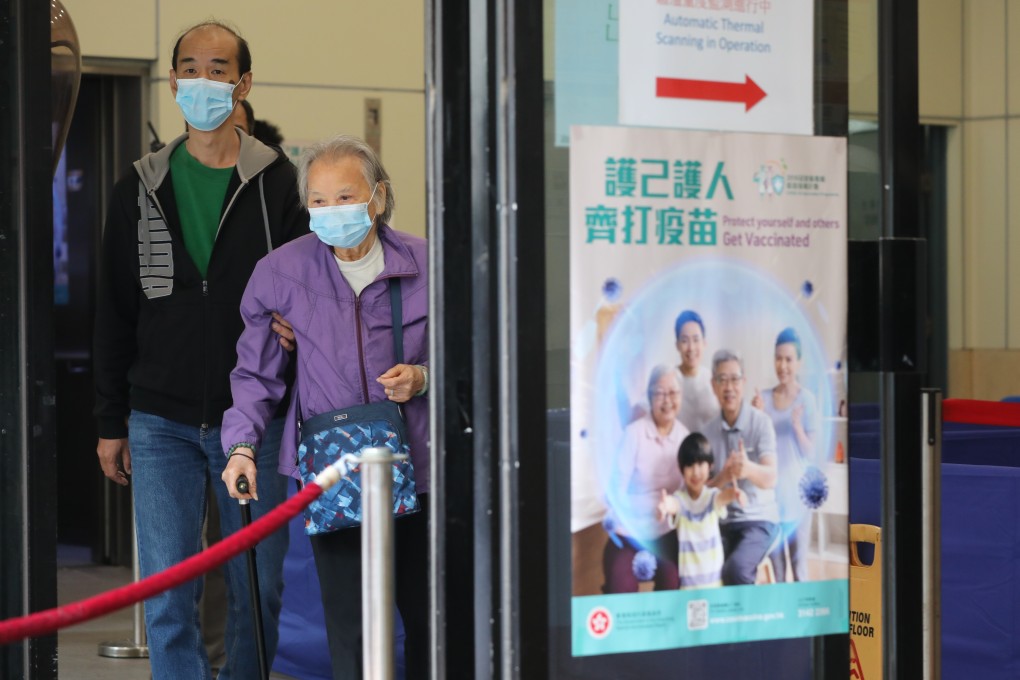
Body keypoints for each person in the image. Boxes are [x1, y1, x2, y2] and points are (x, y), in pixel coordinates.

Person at [92, 20, 307, 680]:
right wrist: (109, 422)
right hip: (159, 421)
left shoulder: (277, 184)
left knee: (258, 591)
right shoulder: (138, 187)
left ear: (243, 84)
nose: (202, 81)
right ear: (173, 80)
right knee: (167, 596)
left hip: (256, 420)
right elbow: (113, 312)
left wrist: (304, 326)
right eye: (190, 67)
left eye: (218, 69)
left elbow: (312, 284)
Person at [219, 134, 430, 679]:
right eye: (318, 200)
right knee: (349, 620)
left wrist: (423, 377)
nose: (332, 211)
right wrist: (241, 446)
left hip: (420, 465)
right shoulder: (281, 273)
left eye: (345, 196)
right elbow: (254, 372)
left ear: (378, 197)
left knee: (430, 614)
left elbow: (475, 355)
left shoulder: (429, 264)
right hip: (332, 468)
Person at [602, 365, 688, 592]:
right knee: (621, 583)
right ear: (650, 396)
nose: (667, 400)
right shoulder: (633, 434)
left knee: (673, 580)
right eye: (660, 392)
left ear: (681, 396)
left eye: (673, 393)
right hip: (629, 532)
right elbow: (615, 491)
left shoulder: (684, 438)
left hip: (664, 533)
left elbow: (685, 494)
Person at [703, 349, 779, 586]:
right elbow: (703, 490)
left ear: (743, 383)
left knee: (735, 571)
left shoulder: (761, 423)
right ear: (713, 385)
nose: (729, 387)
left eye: (734, 379)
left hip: (759, 521)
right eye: (722, 380)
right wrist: (723, 477)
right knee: (704, 567)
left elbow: (771, 477)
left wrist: (747, 469)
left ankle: (749, 623)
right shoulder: (707, 432)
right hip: (723, 522)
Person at [751, 327, 819, 582]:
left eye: (789, 359)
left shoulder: (808, 401)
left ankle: (803, 623)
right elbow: (752, 449)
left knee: (800, 570)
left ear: (798, 362)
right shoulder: (763, 399)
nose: (782, 365)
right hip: (770, 503)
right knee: (777, 574)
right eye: (778, 358)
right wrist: (756, 417)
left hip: (798, 501)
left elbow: (811, 452)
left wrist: (798, 428)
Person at [657, 433, 746, 589]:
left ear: (710, 466)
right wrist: (665, 505)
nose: (696, 472)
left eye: (700, 464)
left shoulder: (711, 496)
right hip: (688, 586)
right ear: (681, 469)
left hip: (714, 583)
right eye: (690, 465)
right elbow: (674, 504)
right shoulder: (681, 500)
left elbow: (722, 498)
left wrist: (735, 494)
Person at [673, 310, 716, 432]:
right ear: (677, 345)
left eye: (696, 340)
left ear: (704, 343)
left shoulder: (715, 380)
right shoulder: (669, 379)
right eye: (685, 341)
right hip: (677, 449)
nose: (691, 348)